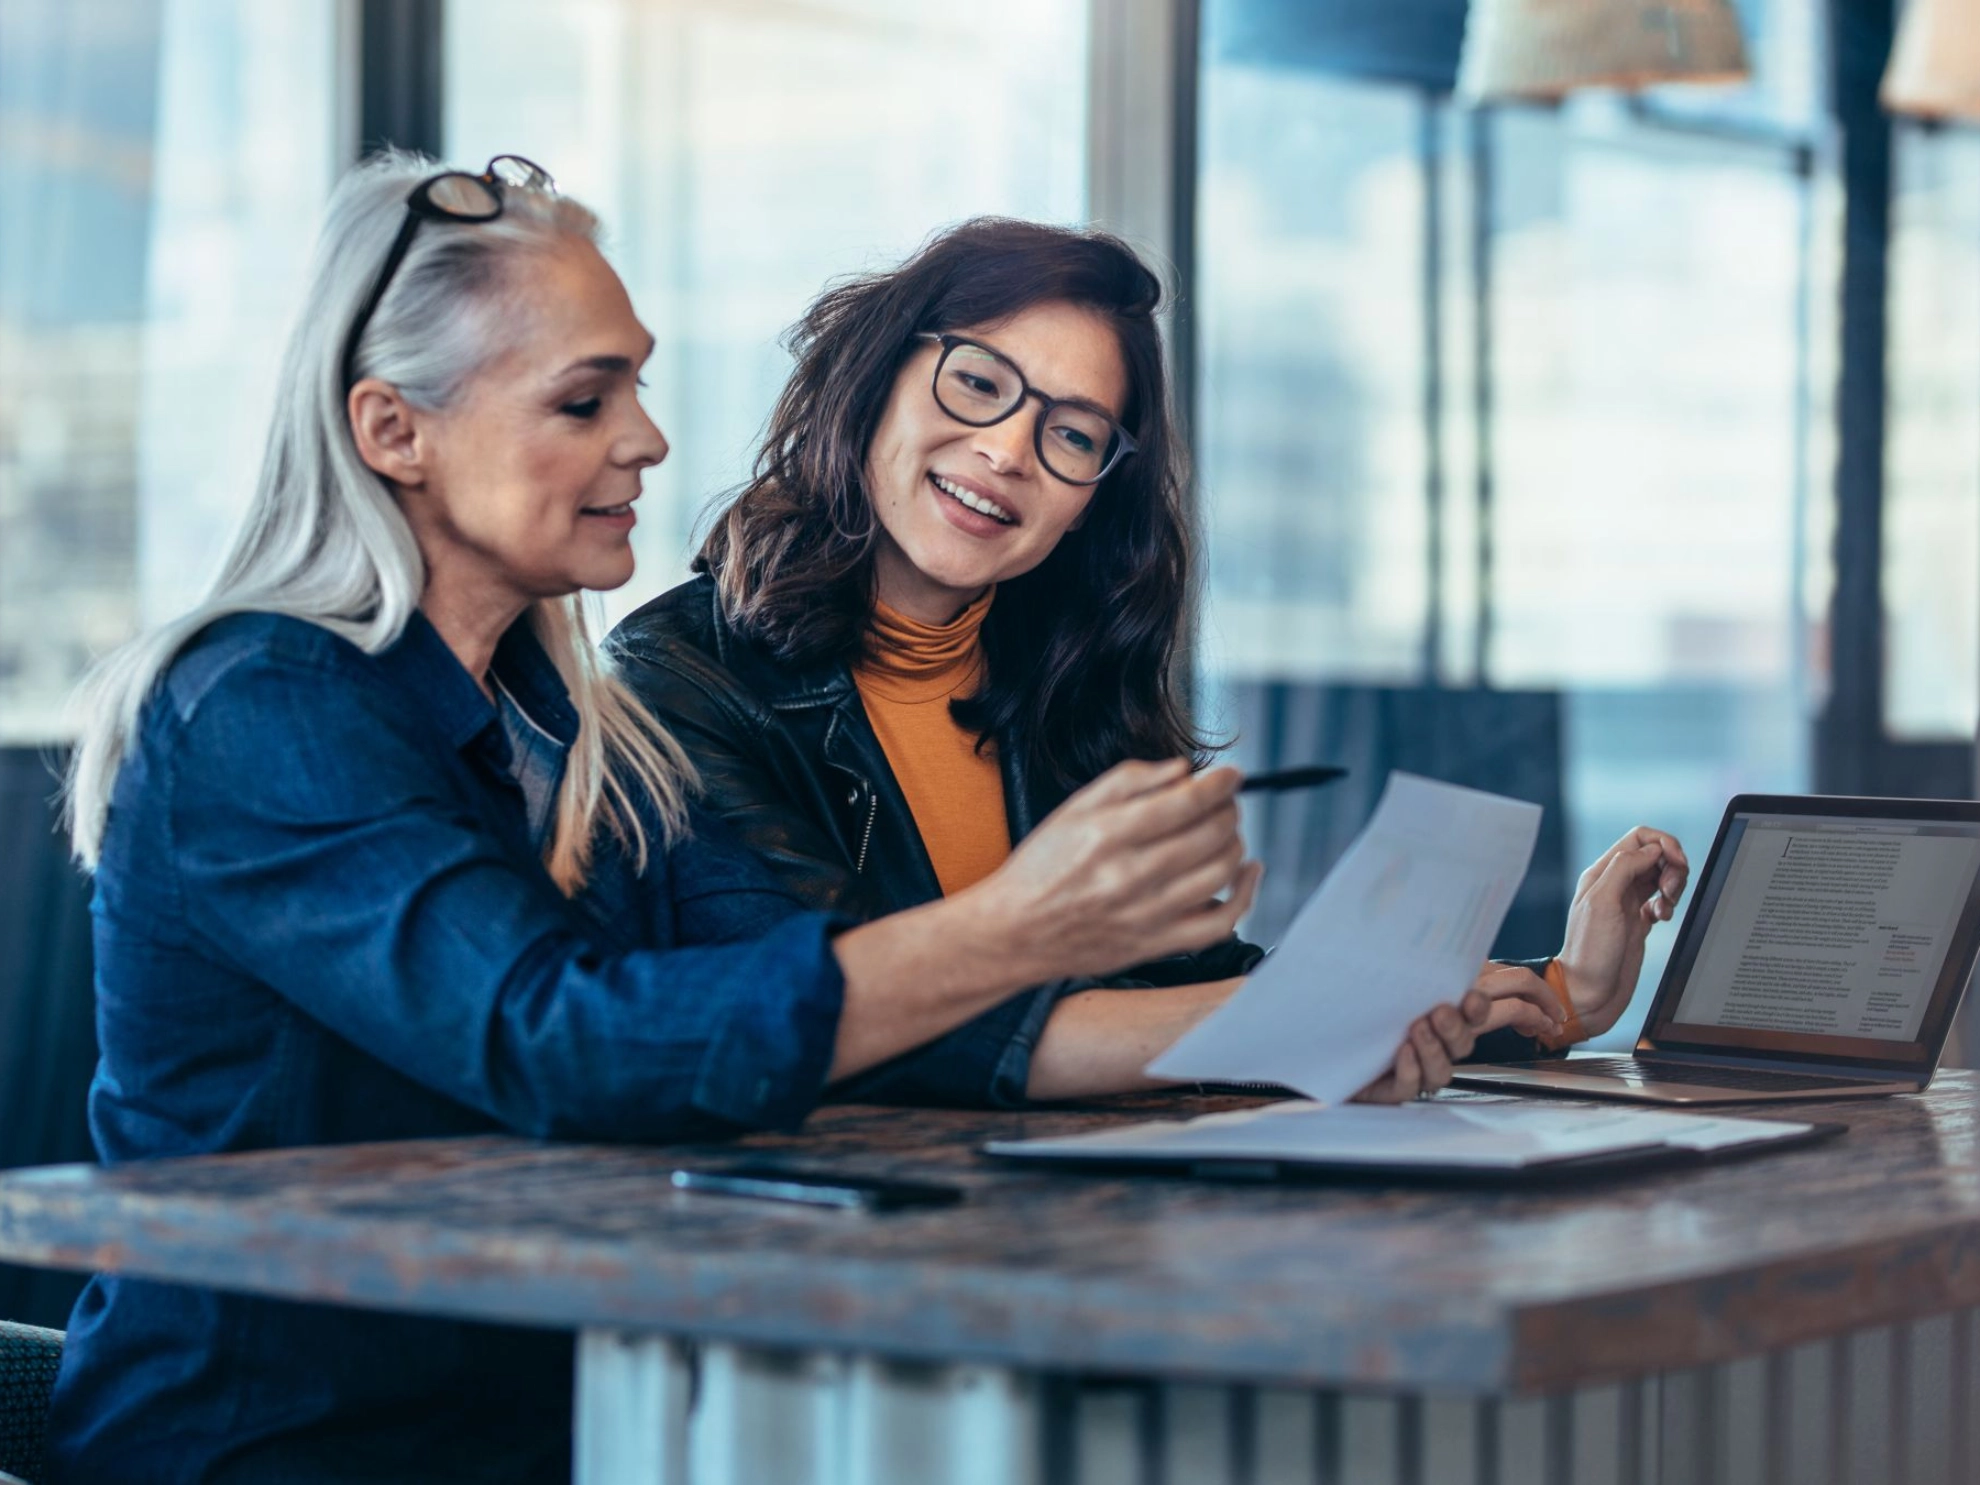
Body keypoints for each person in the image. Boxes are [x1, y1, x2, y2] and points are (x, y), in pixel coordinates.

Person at [44, 159, 1509, 1484]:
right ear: (393, 430)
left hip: (561, 1416)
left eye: (638, 388)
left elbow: (814, 982)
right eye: (583, 400)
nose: (651, 440)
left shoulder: (572, 731)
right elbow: (564, 1041)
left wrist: (1319, 1035)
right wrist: (1022, 925)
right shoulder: (257, 707)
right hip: (283, 1450)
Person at [607, 217, 1690, 1065]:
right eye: (978, 382)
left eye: (1071, 432)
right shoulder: (676, 681)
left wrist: (1560, 995)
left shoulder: (1068, 681)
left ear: (1094, 493)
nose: (1006, 451)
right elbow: (837, 1020)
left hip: (1084, 1231)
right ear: (875, 377)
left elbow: (1186, 989)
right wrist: (1297, 1024)